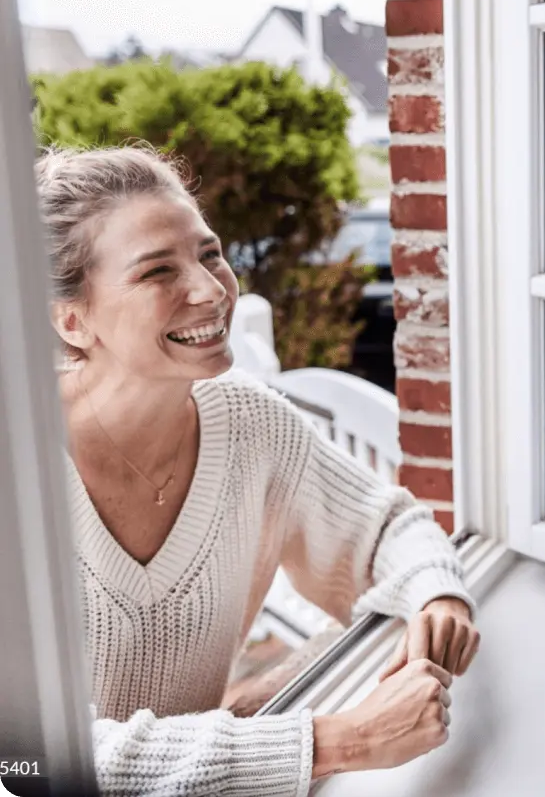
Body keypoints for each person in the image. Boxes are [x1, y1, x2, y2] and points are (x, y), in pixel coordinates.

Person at [36, 145, 481, 796]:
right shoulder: (18, 470)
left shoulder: (248, 421)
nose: (211, 289)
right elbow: (31, 757)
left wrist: (436, 593)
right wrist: (340, 740)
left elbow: (385, 526)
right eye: (158, 271)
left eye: (209, 252)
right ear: (71, 321)